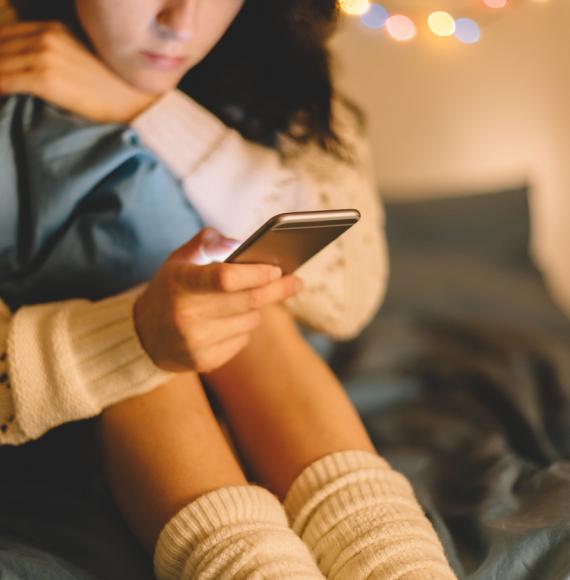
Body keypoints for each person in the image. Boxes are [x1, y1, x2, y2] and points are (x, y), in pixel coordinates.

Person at [0, 0, 456, 578]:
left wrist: (148, 109)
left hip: (260, 368)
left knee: (246, 297)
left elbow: (350, 294)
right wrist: (134, 335)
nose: (181, 22)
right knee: (151, 330)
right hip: (72, 395)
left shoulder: (282, 57)